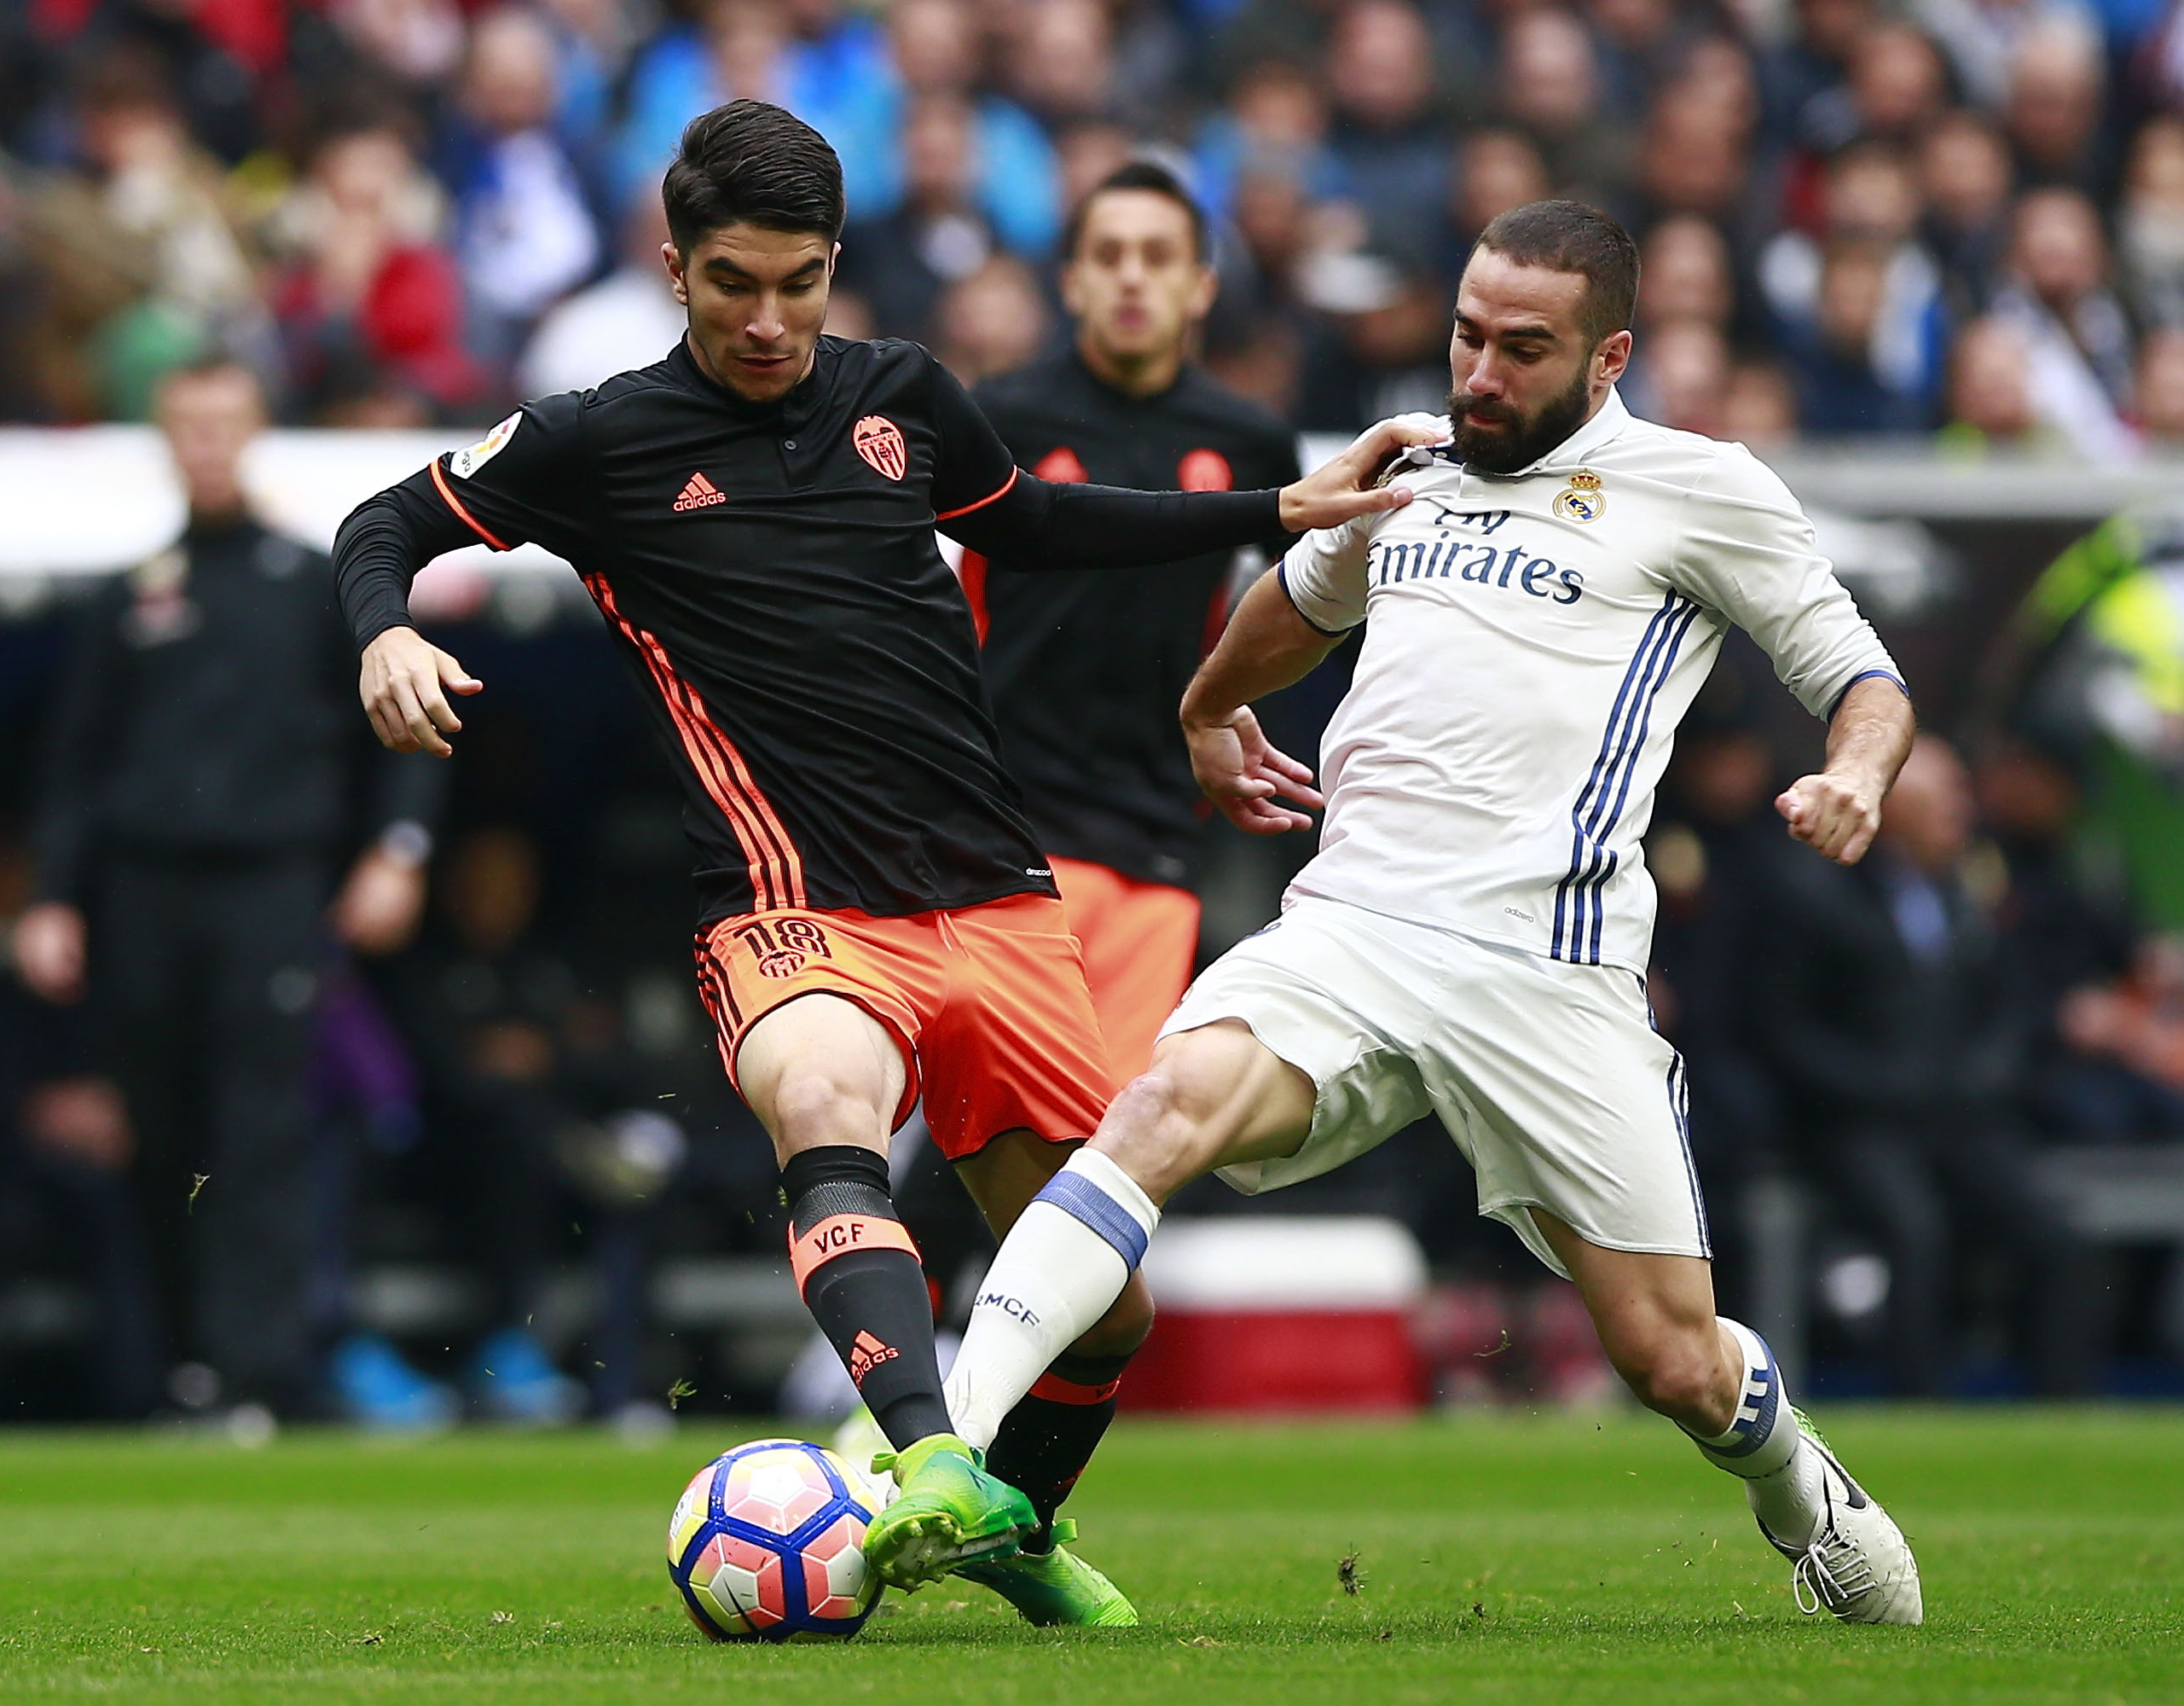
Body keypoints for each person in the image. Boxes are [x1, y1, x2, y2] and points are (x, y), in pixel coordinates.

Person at [329, 100, 1428, 1622]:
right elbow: (385, 518)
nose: (770, 320)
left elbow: (1037, 521)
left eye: (800, 283)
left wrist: (1278, 508)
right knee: (824, 1104)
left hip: (992, 892)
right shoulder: (599, 440)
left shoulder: (903, 395)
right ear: (672, 267)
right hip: (789, 906)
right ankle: (923, 1460)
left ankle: (1008, 1533)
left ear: (836, 264)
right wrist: (385, 631)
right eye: (732, 285)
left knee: (1105, 1318)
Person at [924, 200, 1926, 1626]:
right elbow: (1297, 595)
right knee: (1158, 1112)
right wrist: (1212, 707)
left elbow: (1861, 674)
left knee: (1674, 1364)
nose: (1480, 373)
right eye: (1468, 333)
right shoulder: (1413, 464)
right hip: (1355, 931)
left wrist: (1857, 774)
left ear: (1609, 357)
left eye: (1525, 349)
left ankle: (1795, 1486)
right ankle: (943, 1460)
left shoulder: (1698, 487)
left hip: (1549, 977)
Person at [13, 357, 444, 1425]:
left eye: (223, 426)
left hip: (271, 887)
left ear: (254, 434)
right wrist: (52, 897)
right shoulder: (133, 594)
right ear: (165, 439)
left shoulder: (310, 581)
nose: (205, 445)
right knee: (153, 1132)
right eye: (187, 427)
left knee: (262, 1134)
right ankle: (182, 1366)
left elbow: (402, 730)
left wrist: (398, 849)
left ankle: (257, 1373)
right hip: (141, 892)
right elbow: (74, 764)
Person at [968, 160, 1301, 1076]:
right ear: (1070, 280)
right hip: (1005, 822)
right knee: (1000, 1111)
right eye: (1108, 255)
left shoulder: (1247, 440)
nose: (1131, 276)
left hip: (1158, 822)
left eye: (1157, 257)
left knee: (1102, 1133)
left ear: (1201, 286)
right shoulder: (995, 418)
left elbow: (1302, 610)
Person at [1752, 736, 2107, 1396]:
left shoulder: (1969, 895)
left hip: (1961, 1121)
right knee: (1914, 1230)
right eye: (1946, 797)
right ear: (1891, 806)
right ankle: (1921, 1406)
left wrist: (1977, 1080)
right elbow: (1785, 1033)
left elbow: (2008, 1009)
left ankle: (2065, 1407)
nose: (1963, 812)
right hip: (1861, 1125)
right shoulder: (1814, 893)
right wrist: (1888, 1088)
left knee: (2057, 1235)